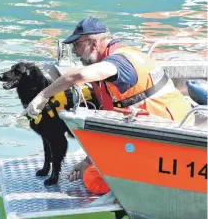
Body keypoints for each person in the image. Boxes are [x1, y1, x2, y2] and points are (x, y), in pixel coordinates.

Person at [22, 16, 193, 194]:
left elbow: (76, 77)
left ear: (93, 43)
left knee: (93, 180)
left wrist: (41, 97)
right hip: (147, 132)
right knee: (92, 170)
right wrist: (88, 160)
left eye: (77, 46)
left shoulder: (118, 63)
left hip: (170, 135)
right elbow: (110, 125)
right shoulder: (110, 64)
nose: (76, 53)